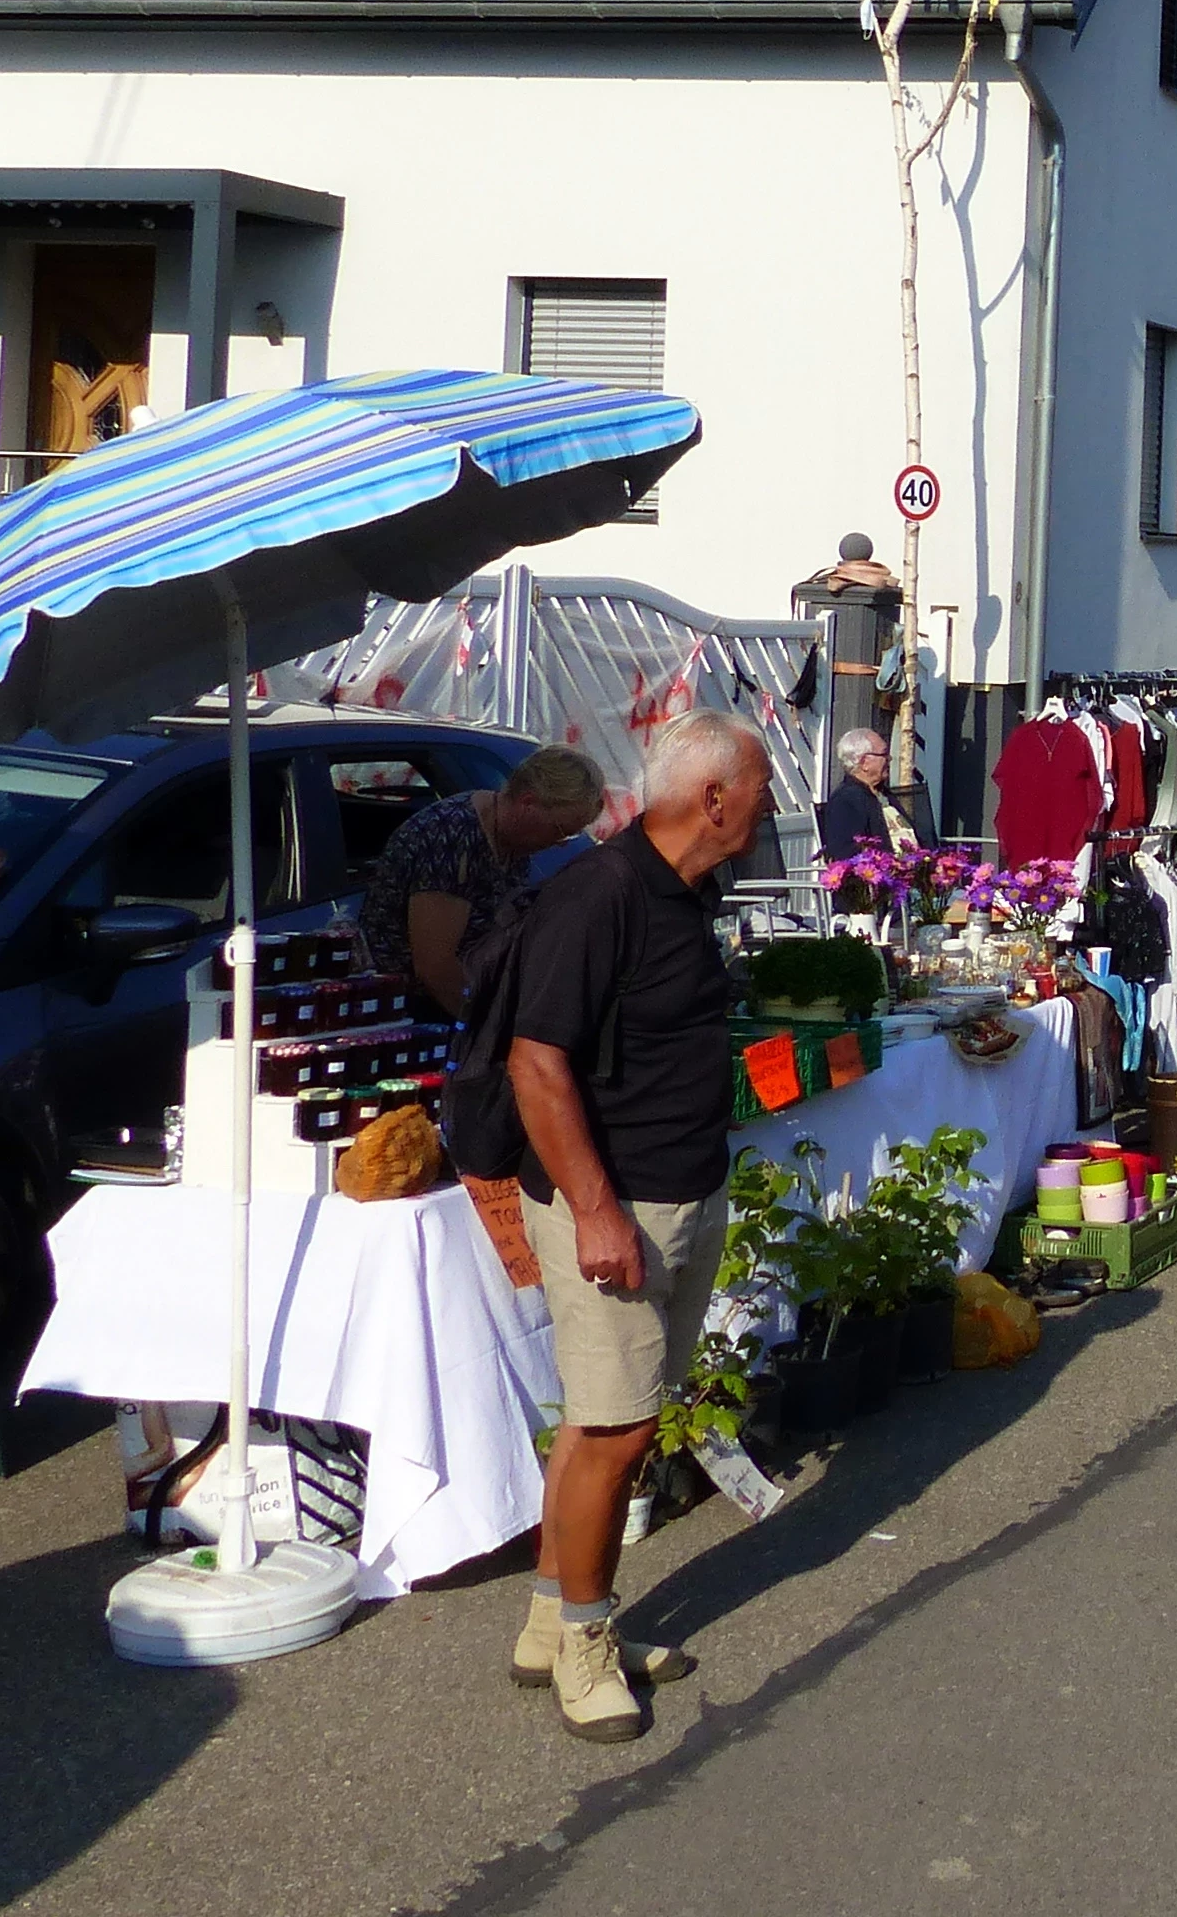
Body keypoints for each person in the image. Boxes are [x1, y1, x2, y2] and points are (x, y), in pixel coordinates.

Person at [495, 708, 772, 1743]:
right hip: (612, 1204)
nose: (771, 805)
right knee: (616, 1435)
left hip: (676, 1187)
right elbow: (536, 1063)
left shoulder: (680, 892)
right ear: (713, 798)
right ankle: (584, 1641)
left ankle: (545, 1619)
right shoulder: (599, 895)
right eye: (759, 787)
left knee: (602, 1421)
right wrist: (600, 1212)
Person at [357, 745, 603, 1022]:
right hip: (404, 1016)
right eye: (560, 831)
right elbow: (435, 968)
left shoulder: (509, 838)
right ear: (528, 802)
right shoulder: (452, 838)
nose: (559, 844)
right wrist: (492, 1033)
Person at [813, 727, 930, 864]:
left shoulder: (882, 794)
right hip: (888, 878)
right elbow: (847, 855)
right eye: (884, 754)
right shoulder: (846, 800)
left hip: (919, 872)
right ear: (864, 763)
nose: (889, 759)